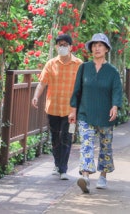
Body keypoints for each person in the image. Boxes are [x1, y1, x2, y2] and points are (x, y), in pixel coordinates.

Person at [69, 32, 123, 194]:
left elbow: (117, 90)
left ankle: (103, 176)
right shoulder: (84, 68)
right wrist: (73, 111)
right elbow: (77, 90)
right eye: (94, 45)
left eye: (100, 45)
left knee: (105, 146)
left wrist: (115, 106)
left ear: (106, 49)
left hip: (105, 115)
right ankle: (85, 177)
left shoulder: (112, 71)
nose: (96, 48)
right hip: (86, 113)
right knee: (86, 144)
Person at [31, 33, 82, 180]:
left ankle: (63, 169)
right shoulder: (51, 64)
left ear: (71, 47)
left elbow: (83, 85)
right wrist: (36, 96)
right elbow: (42, 83)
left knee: (66, 136)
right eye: (60, 45)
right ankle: (57, 164)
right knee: (55, 137)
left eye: (65, 45)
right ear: (56, 47)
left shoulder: (78, 64)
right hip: (53, 107)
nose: (62, 47)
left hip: (70, 109)